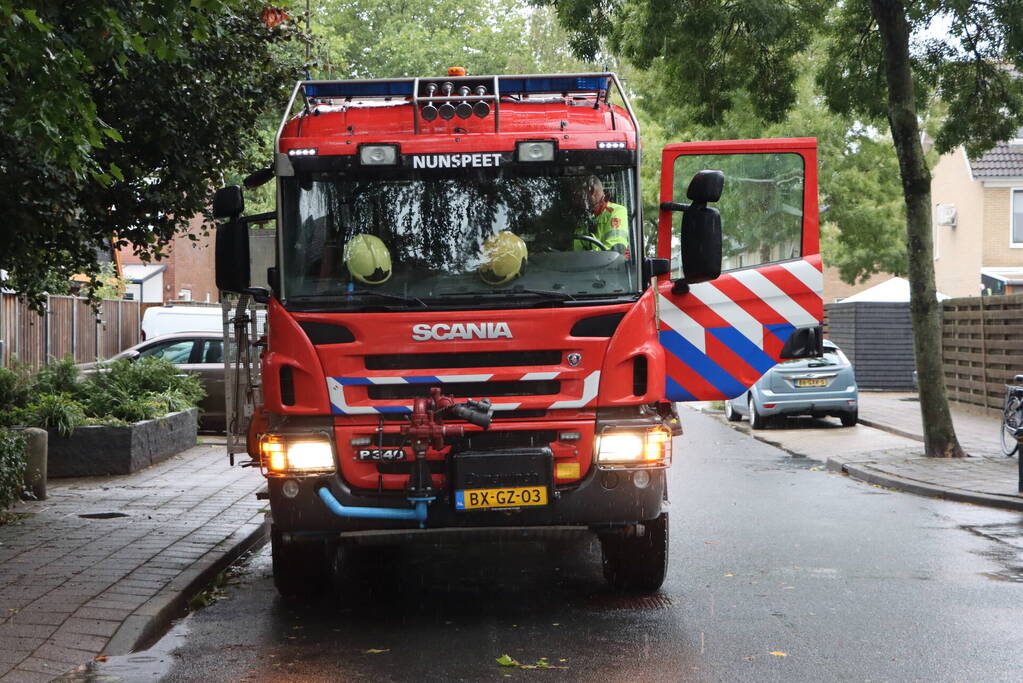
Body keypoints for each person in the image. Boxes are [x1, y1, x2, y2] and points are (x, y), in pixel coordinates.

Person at [573, 175, 629, 256]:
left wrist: (587, 255)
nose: (578, 200)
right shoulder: (584, 221)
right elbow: (576, 254)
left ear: (592, 190)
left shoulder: (616, 211)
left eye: (580, 195)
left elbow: (615, 251)